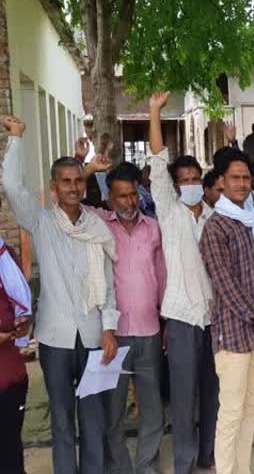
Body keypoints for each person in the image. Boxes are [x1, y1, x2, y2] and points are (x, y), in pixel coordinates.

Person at [2, 115, 119, 474]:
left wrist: (110, 329)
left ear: (84, 186)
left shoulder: (97, 227)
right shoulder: (40, 223)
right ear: (54, 187)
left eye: (77, 181)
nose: (72, 187)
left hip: (94, 336)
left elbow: (109, 286)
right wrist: (17, 139)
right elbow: (10, 183)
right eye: (65, 181)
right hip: (54, 339)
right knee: (63, 421)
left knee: (94, 419)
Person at [147, 92, 218, 472]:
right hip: (179, 316)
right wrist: (155, 112)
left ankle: (208, 455)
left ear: (202, 182)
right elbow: (158, 166)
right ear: (176, 185)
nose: (190, 184)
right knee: (182, 394)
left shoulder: (214, 217)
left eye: (195, 179)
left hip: (213, 318)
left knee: (212, 391)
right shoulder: (169, 212)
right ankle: (186, 462)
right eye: (184, 180)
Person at [199, 148, 254, 474]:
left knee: (251, 408)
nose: (243, 184)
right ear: (221, 181)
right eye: (236, 177)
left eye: (246, 177)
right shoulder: (216, 227)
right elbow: (224, 283)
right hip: (233, 334)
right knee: (230, 414)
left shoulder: (252, 220)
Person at [92, 162, 167, 474]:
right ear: (110, 197)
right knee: (113, 408)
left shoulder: (153, 228)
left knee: (152, 407)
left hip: (149, 330)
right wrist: (86, 168)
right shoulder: (99, 225)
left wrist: (165, 321)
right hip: (114, 335)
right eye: (122, 196)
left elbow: (161, 275)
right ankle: (120, 466)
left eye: (133, 194)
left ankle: (146, 463)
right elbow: (61, 202)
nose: (129, 202)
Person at [0, 191, 32, 474]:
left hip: (11, 375)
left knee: (10, 452)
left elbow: (19, 303)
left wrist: (23, 324)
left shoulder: (4, 254)